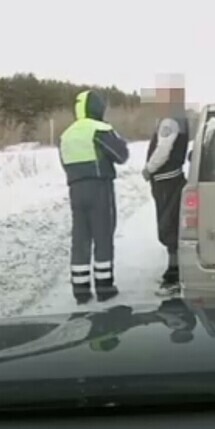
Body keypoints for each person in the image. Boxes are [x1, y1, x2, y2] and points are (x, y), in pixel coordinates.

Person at [59, 90, 129, 304]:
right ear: (97, 108)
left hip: (75, 188)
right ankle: (104, 287)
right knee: (103, 235)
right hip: (99, 187)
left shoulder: (66, 134)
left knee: (80, 238)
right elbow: (121, 156)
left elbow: (64, 162)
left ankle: (80, 289)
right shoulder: (100, 129)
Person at [142, 83, 189, 295]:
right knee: (172, 224)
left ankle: (174, 276)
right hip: (171, 178)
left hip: (166, 180)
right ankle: (175, 272)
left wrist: (148, 169)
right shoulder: (178, 119)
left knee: (168, 227)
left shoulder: (169, 121)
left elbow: (163, 150)